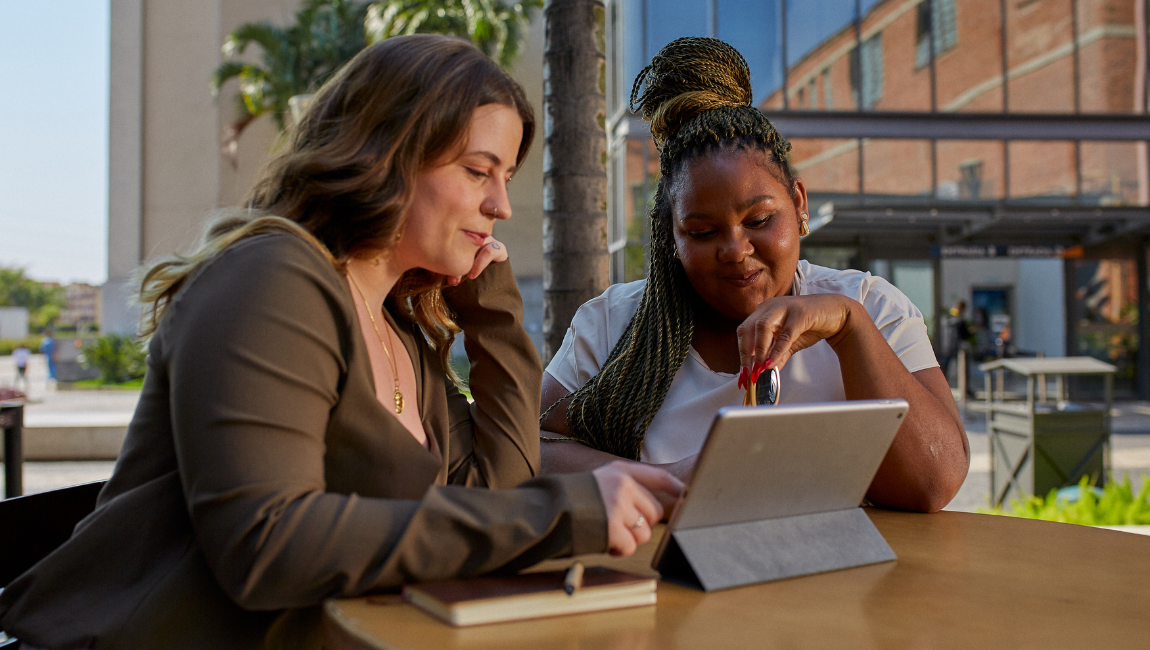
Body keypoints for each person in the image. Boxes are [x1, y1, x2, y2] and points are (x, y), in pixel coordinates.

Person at [0, 35, 680, 650]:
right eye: (479, 171)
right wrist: (567, 511)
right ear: (389, 153)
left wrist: (492, 308)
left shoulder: (401, 330)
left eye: (506, 179)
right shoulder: (272, 280)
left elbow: (499, 485)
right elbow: (267, 546)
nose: (501, 205)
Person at [539, 37, 968, 514]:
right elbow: (530, 449)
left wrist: (850, 329)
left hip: (838, 583)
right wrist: (663, 482)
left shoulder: (869, 305)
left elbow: (935, 482)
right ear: (671, 237)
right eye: (701, 232)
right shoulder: (611, 323)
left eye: (760, 221)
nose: (735, 250)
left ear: (799, 204)